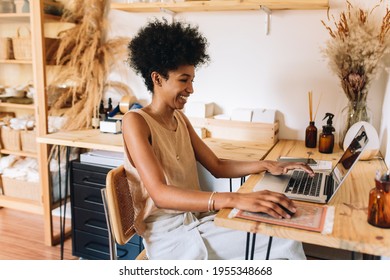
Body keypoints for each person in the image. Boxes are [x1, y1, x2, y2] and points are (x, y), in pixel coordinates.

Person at [122, 18, 314, 260]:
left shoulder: (179, 119)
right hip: (171, 236)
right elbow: (160, 193)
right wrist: (234, 199)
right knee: (283, 238)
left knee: (280, 226)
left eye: (192, 80)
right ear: (157, 78)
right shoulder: (135, 121)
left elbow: (218, 166)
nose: (191, 89)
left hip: (198, 221)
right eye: (184, 80)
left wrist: (266, 165)